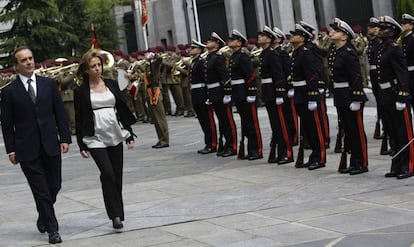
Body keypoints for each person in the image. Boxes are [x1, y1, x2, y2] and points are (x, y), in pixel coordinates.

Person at [0, 46, 71, 244]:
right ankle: (53, 230)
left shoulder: (49, 85)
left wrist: (65, 138)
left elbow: (60, 114)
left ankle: (43, 215)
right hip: (26, 149)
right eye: (24, 60)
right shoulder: (9, 92)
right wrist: (11, 149)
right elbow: (7, 124)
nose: (29, 62)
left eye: (30, 58)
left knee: (54, 186)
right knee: (40, 189)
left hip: (50, 144)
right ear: (17, 66)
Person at [74, 49, 136, 230]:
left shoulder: (111, 84)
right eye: (92, 66)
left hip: (115, 133)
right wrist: (80, 143)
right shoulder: (81, 91)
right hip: (94, 137)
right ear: (86, 69)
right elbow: (79, 118)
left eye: (99, 65)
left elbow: (122, 109)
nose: (97, 69)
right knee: (107, 173)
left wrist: (129, 133)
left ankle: (117, 212)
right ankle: (115, 215)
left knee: (116, 175)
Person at [328, 19, 369, 175]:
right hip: (341, 96)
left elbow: (356, 77)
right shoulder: (336, 52)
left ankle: (362, 162)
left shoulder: (349, 53)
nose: (332, 32)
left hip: (350, 95)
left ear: (344, 36)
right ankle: (353, 161)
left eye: (336, 31)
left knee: (356, 130)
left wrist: (357, 98)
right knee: (348, 131)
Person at [376, 16, 414, 179]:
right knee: (392, 131)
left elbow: (402, 73)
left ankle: (409, 165)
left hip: (395, 94)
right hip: (386, 95)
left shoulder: (394, 48)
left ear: (391, 32)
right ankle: (397, 163)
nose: (380, 31)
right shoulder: (382, 48)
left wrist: (402, 94)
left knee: (403, 131)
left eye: (383, 29)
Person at [290, 23, 326, 170]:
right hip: (299, 93)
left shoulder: (306, 52)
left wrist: (313, 96)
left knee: (314, 128)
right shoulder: (297, 52)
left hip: (307, 93)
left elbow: (312, 75)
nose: (292, 36)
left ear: (303, 37)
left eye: (295, 34)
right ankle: (313, 156)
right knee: (307, 128)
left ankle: (320, 157)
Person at [258, 26, 293, 164]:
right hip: (268, 91)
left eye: (262, 36)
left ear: (269, 39)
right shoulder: (265, 53)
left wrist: (280, 92)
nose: (259, 38)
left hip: (274, 91)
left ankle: (287, 153)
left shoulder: (273, 54)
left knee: (282, 124)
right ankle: (279, 151)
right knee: (275, 124)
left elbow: (279, 74)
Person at [228, 29, 263, 160]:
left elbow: (250, 75)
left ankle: (257, 150)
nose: (229, 41)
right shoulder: (233, 56)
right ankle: (250, 149)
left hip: (245, 91)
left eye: (232, 40)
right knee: (245, 123)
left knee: (252, 123)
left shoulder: (243, 56)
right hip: (238, 93)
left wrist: (252, 91)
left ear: (239, 42)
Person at [205, 32, 238, 157]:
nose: (207, 42)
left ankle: (232, 146)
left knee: (227, 121)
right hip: (213, 93)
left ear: (216, 44)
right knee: (221, 121)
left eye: (210, 41)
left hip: (220, 93)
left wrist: (227, 93)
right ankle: (224, 144)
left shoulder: (218, 58)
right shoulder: (209, 58)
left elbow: (225, 77)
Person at [189, 39, 217, 154]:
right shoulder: (194, 62)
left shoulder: (201, 62)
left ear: (199, 50)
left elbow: (206, 79)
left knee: (208, 120)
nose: (190, 50)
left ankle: (212, 143)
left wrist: (208, 95)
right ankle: (208, 142)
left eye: (193, 48)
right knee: (202, 120)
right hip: (196, 93)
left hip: (202, 92)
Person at [401, 14, 414, 113]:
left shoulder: (412, 39)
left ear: (411, 26)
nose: (402, 25)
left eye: (405, 23)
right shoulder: (404, 39)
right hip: (407, 74)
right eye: (402, 23)